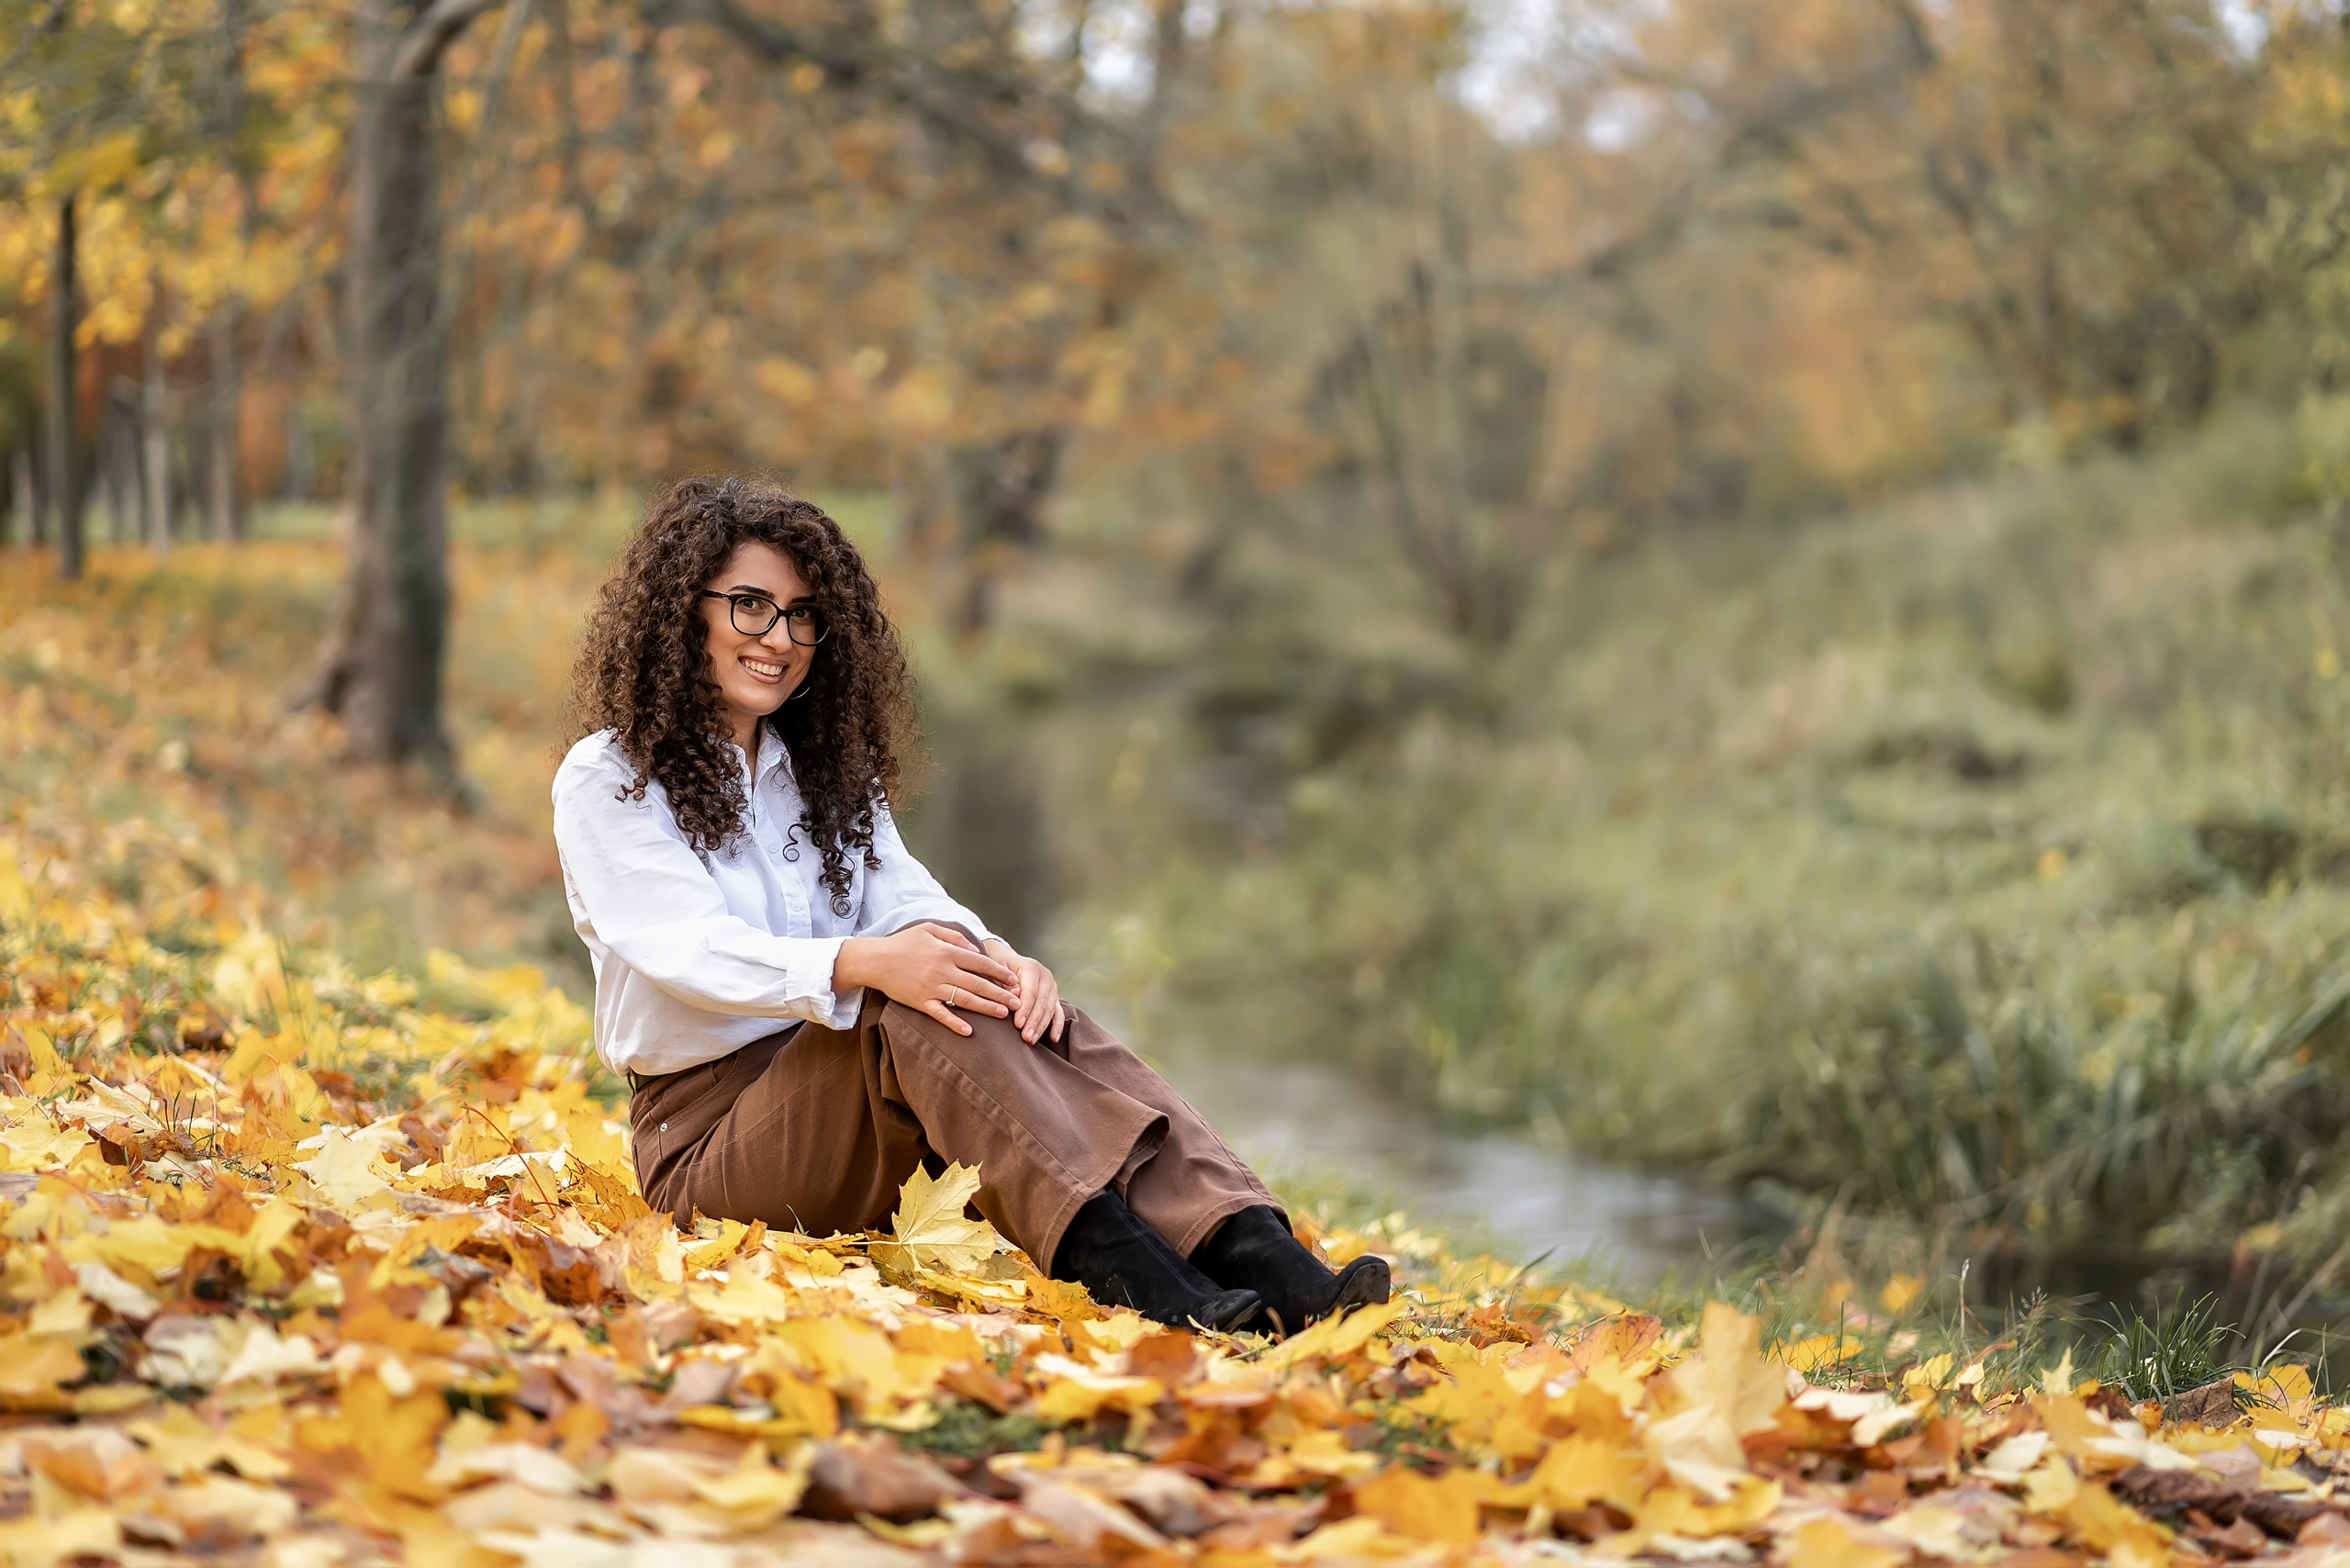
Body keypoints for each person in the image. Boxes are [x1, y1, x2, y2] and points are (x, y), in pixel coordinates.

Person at [554, 475, 1391, 1335]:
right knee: (907, 1003)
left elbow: (905, 895)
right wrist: (868, 964)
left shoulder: (818, 770)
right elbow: (685, 947)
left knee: (1004, 995)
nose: (781, 638)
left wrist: (998, 958)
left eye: (803, 615)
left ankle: (1264, 1257)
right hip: (709, 1148)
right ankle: (1140, 1281)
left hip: (855, 1109)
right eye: (751, 606)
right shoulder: (610, 777)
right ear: (682, 610)